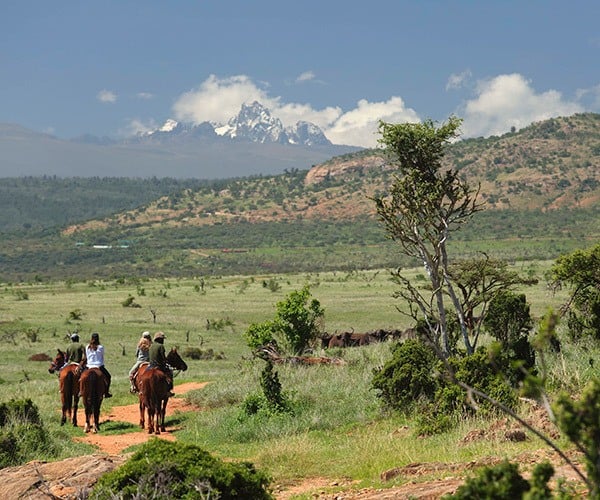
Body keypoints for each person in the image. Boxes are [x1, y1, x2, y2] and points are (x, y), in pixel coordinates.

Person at [82, 332, 112, 398]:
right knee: (108, 377)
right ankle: (106, 392)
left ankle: (81, 391)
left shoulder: (87, 347)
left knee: (81, 378)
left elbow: (86, 357)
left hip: (89, 366)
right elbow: (102, 356)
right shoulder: (101, 347)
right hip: (99, 366)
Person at [148, 331, 174, 397]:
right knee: (170, 373)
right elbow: (163, 357)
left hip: (150, 365)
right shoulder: (161, 346)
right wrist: (166, 363)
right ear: (159, 339)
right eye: (162, 339)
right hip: (159, 366)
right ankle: (168, 391)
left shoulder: (151, 346)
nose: (163, 340)